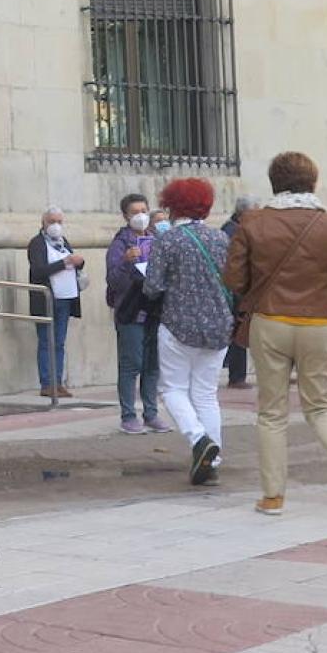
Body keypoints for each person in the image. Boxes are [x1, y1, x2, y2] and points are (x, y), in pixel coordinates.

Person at [224, 152, 327, 519]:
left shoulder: (254, 223)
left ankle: (273, 497)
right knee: (322, 405)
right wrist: (325, 295)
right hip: (319, 323)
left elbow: (234, 279)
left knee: (272, 412)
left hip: (270, 321)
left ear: (274, 182)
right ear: (313, 183)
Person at [143, 179, 234, 486]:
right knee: (207, 394)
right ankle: (214, 458)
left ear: (172, 205)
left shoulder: (168, 241)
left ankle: (198, 440)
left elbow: (152, 286)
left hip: (178, 325)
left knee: (173, 389)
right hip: (218, 325)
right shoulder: (220, 238)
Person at [106, 194, 168, 433]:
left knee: (152, 366)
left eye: (144, 210)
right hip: (132, 312)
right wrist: (125, 261)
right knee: (131, 364)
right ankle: (128, 415)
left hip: (154, 310)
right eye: (135, 212)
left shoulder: (156, 240)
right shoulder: (120, 243)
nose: (141, 215)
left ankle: (151, 413)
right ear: (126, 216)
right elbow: (113, 279)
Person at [27, 208, 84, 397]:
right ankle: (47, 383)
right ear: (43, 222)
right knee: (46, 341)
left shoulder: (63, 242)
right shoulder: (36, 244)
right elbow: (38, 271)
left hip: (66, 298)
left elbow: (72, 263)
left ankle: (57, 381)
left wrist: (78, 262)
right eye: (52, 221)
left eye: (59, 221)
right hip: (47, 300)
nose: (56, 225)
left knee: (59, 342)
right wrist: (65, 262)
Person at [222, 195, 259, 388]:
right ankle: (237, 376)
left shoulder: (240, 229)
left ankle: (239, 375)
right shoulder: (232, 231)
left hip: (243, 289)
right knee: (238, 332)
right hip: (236, 291)